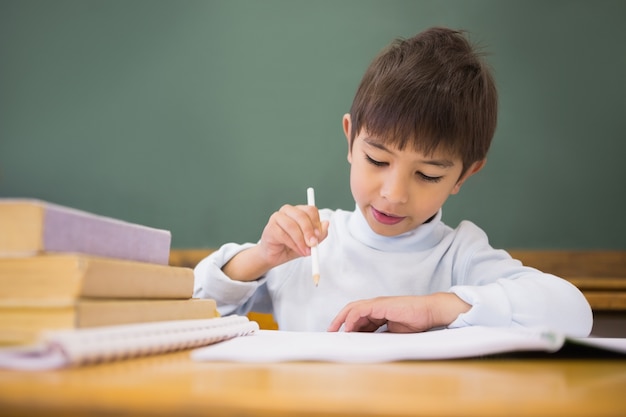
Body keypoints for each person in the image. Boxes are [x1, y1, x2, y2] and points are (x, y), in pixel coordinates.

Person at [194, 27, 593, 337]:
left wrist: (435, 308)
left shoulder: (458, 255)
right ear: (350, 139)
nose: (394, 193)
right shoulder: (310, 242)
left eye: (428, 174)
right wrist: (259, 258)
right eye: (377, 159)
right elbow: (192, 305)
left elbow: (573, 312)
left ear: (465, 175)